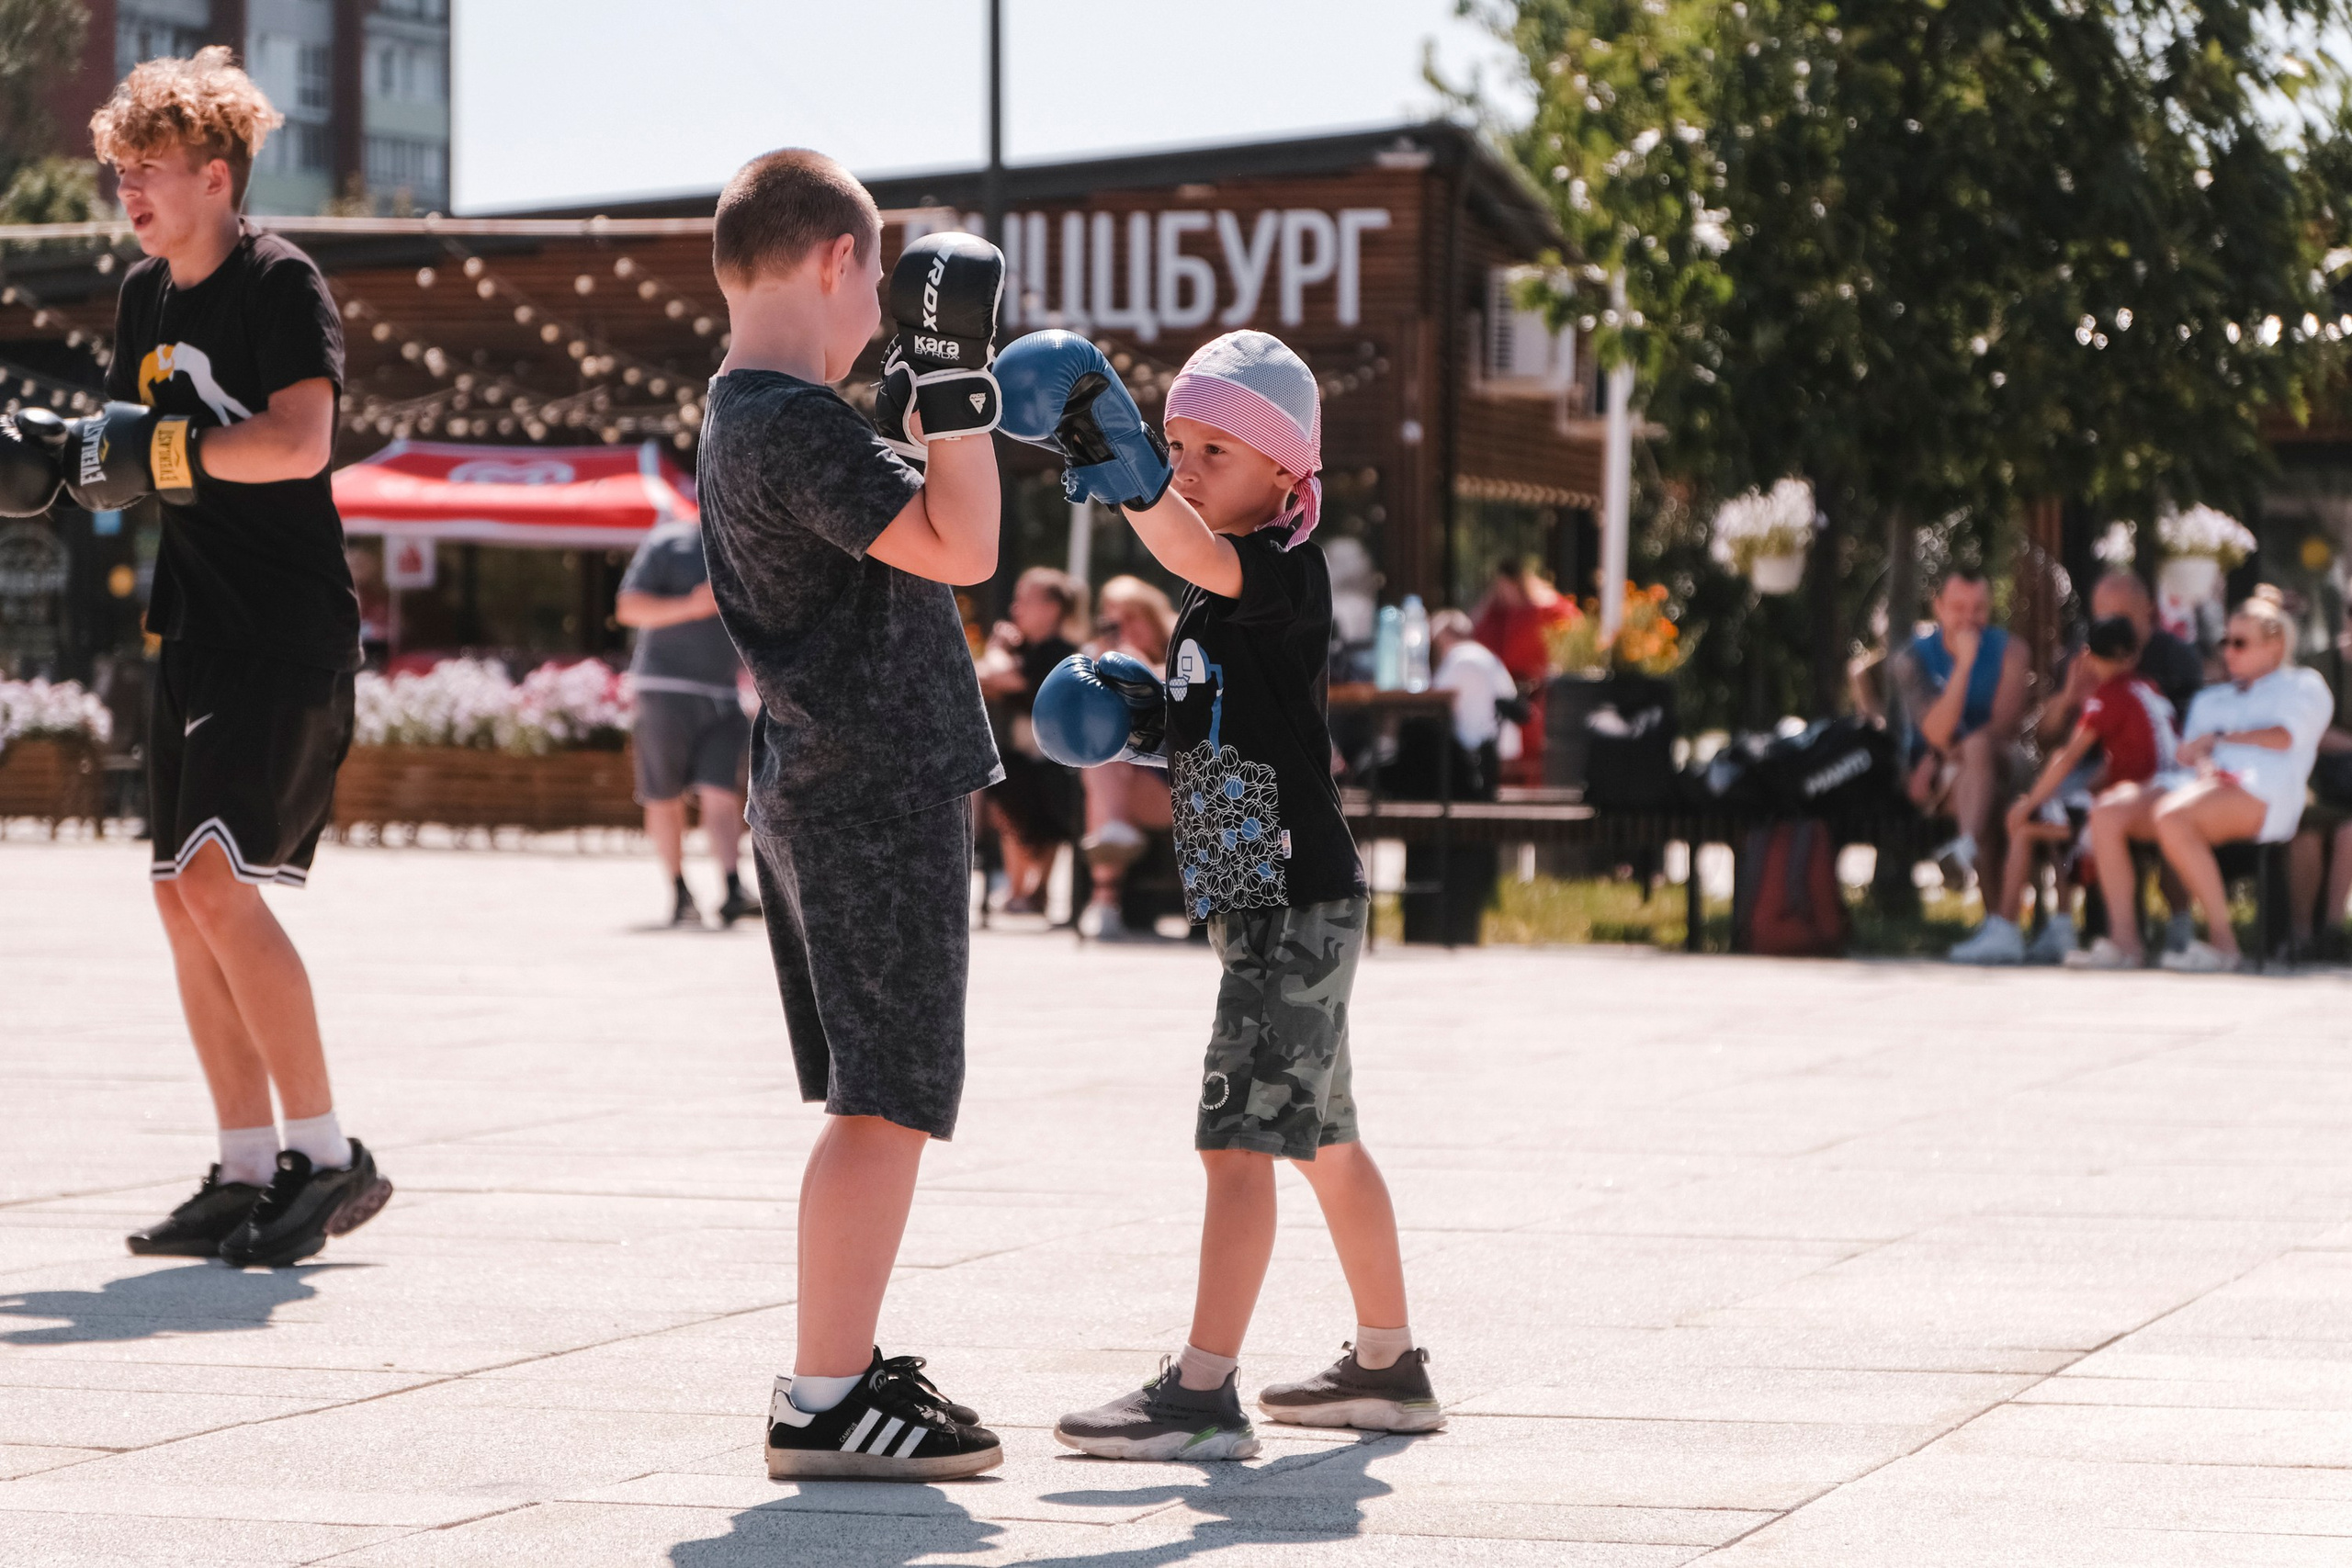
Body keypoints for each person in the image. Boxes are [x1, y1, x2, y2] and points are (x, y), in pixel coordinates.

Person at [1000, 327, 1441, 1461]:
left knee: (1234, 1142)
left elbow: (1191, 552)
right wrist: (1146, 725)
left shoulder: (1282, 577)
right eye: (1177, 443)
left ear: (1287, 476)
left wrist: (1135, 473)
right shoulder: (1217, 603)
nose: (1188, 465)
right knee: (1323, 1138)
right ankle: (1388, 1367)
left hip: (1291, 901)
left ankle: (1200, 1392)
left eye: (1212, 451)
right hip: (1272, 898)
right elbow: (1222, 725)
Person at [695, 150, 1005, 1479]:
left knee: (874, 1093)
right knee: (885, 1099)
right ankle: (825, 1392)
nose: (882, 304)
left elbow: (900, 519)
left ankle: (844, 1366)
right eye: (875, 275)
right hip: (868, 786)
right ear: (836, 259)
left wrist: (916, 394)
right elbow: (965, 542)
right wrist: (958, 387)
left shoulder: (753, 413)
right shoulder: (787, 421)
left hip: (828, 777)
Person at [61, 51, 392, 1269]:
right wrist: (56, 458)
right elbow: (125, 452)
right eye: (118, 168)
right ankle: (247, 1166)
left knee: (214, 880)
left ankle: (329, 1153)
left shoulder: (276, 278)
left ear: (217, 173)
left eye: (148, 168)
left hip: (284, 629)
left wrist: (159, 456)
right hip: (191, 623)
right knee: (178, 892)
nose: (128, 188)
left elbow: (301, 441)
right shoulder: (147, 299)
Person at [2076, 589, 2334, 972]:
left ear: (2276, 645)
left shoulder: (2303, 685)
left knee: (2172, 815)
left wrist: (2218, 740)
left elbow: (2287, 737)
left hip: (2263, 790)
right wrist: (2201, 762)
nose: (2228, 651)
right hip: (2198, 788)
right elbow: (2187, 753)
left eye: (2241, 643)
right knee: (2109, 811)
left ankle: (2223, 944)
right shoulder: (2212, 699)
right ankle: (2125, 942)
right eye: (2224, 641)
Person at [1948, 615, 2175, 964]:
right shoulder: (2149, 689)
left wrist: (2028, 802)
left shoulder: (2109, 696)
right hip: (2161, 793)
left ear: (2088, 655)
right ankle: (2061, 923)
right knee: (2062, 812)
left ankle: (2007, 926)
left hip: (2131, 805)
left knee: (2027, 823)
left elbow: (2067, 758)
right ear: (2132, 655)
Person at [615, 514, 758, 928]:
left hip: (723, 694)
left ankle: (732, 888)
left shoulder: (744, 541)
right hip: (664, 688)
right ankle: (679, 891)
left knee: (721, 792)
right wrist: (692, 606)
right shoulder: (668, 542)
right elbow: (628, 607)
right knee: (664, 794)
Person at [1892, 569, 2033, 885]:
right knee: (1984, 796)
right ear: (1938, 607)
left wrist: (1948, 754)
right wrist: (1964, 665)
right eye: (1959, 608)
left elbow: (2004, 726)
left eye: (1979, 608)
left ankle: (1967, 854)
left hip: (1995, 758)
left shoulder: (2011, 651)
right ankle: (1994, 916)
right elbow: (1935, 730)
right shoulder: (1911, 658)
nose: (1970, 618)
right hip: (1941, 776)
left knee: (1978, 746)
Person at [976, 566, 1086, 914]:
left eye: (1025, 600)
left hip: (1059, 763)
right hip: (1025, 759)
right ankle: (1021, 887)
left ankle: (1028, 890)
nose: (1015, 609)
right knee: (1005, 790)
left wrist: (996, 648)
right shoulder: (1025, 649)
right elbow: (981, 677)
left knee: (1031, 800)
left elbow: (1003, 677)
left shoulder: (1061, 652)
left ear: (1053, 608)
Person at [1076, 573, 1176, 941]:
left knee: (1104, 763)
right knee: (1102, 755)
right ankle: (1105, 898)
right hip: (1128, 785)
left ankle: (1104, 901)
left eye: (1132, 618)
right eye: (1114, 620)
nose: (1124, 629)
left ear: (1152, 617)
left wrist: (1141, 674)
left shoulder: (1182, 648)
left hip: (1182, 788)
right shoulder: (1099, 656)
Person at [1471, 558, 1574, 784]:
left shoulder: (1546, 607)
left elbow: (1572, 641)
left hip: (1539, 696)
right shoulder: (1498, 612)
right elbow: (1475, 634)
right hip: (1509, 695)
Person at [2288, 726, 2352, 957]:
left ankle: (2332, 935)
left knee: (2349, 834)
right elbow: (2307, 730)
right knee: (2305, 832)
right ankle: (2302, 938)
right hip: (2319, 787)